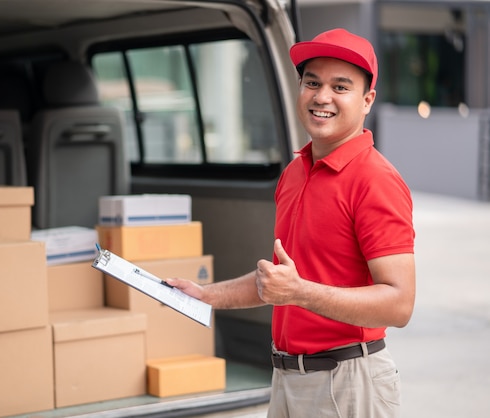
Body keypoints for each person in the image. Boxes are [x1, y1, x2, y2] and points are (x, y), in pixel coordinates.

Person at [166, 28, 416, 418]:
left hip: (347, 383)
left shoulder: (375, 179)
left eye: (340, 86)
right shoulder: (296, 171)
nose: (322, 97)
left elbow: (399, 304)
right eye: (312, 82)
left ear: (367, 100)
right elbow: (280, 282)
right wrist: (206, 296)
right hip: (286, 379)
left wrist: (301, 293)